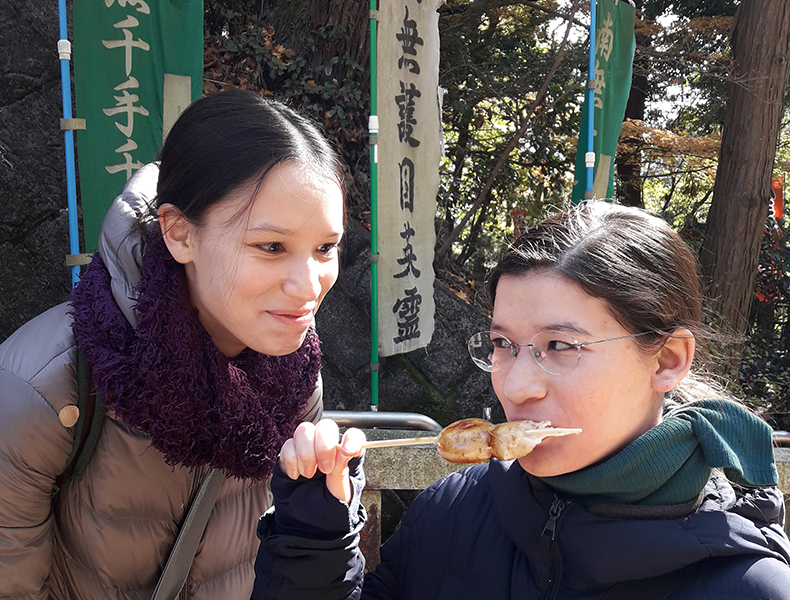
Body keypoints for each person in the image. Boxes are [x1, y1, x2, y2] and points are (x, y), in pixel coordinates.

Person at [252, 201, 790, 599]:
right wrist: (314, 537)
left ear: (667, 360)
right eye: (502, 345)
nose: (514, 387)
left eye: (560, 346)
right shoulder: (450, 511)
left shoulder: (747, 586)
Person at [0, 89, 346, 599]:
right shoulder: (45, 388)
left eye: (325, 248)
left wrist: (323, 516)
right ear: (180, 233)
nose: (308, 285)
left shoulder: (294, 374)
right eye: (271, 246)